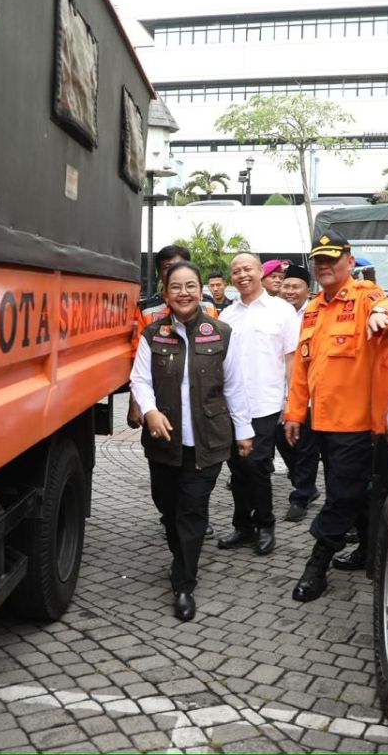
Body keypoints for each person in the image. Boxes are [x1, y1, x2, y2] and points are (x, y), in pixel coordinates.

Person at [130, 261, 254, 622]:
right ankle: (180, 556)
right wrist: (150, 411)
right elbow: (140, 380)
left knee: (192, 510)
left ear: (201, 291)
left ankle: (184, 583)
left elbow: (235, 386)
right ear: (166, 293)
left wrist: (244, 431)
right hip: (164, 440)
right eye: (176, 287)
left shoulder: (221, 333)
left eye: (190, 286)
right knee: (167, 506)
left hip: (208, 441)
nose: (183, 293)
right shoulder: (153, 334)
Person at [283, 230, 388, 602]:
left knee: (341, 496)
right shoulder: (313, 309)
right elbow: (302, 370)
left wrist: (381, 315)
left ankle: (317, 566)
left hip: (356, 426)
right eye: (319, 260)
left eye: (332, 259)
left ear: (349, 261)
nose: (324, 266)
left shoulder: (364, 296)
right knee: (352, 491)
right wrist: (294, 414)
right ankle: (367, 549)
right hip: (321, 423)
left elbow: (386, 306)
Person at [217, 252, 299, 556]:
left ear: (259, 272)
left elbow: (291, 359)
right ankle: (243, 526)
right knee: (236, 468)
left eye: (247, 268)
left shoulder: (282, 311)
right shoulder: (226, 316)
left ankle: (265, 524)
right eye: (236, 271)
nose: (242, 275)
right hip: (232, 405)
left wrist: (290, 400)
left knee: (256, 465)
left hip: (266, 403)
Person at [128, 245, 219, 429]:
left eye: (180, 266)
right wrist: (135, 401)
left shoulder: (208, 306)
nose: (174, 272)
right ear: (159, 273)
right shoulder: (147, 309)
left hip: (203, 400)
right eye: (167, 268)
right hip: (160, 400)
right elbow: (138, 362)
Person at [275, 263, 321, 521]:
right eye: (286, 286)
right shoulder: (274, 311)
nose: (290, 291)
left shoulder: (315, 313)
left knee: (306, 445)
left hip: (308, 390)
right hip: (278, 388)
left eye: (296, 286)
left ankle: (301, 495)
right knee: (281, 438)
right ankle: (305, 484)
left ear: (307, 290)